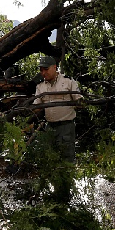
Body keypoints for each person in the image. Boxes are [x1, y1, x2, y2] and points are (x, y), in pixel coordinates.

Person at [33, 56, 82, 203]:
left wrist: (80, 102)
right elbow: (36, 107)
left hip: (66, 127)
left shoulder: (68, 82)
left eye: (46, 69)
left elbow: (79, 100)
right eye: (41, 70)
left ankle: (65, 196)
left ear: (55, 67)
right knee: (50, 159)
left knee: (66, 160)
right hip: (50, 128)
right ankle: (55, 193)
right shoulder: (40, 87)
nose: (43, 73)